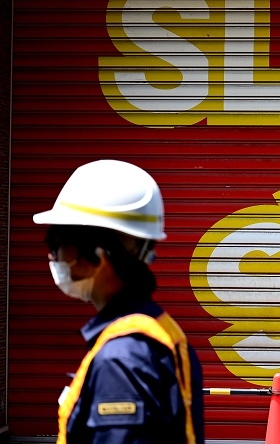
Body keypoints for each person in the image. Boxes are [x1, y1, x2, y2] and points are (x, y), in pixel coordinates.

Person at [33, 159, 205, 444]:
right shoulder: (158, 332)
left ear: (99, 257)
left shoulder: (122, 360)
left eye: (58, 246)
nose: (54, 259)